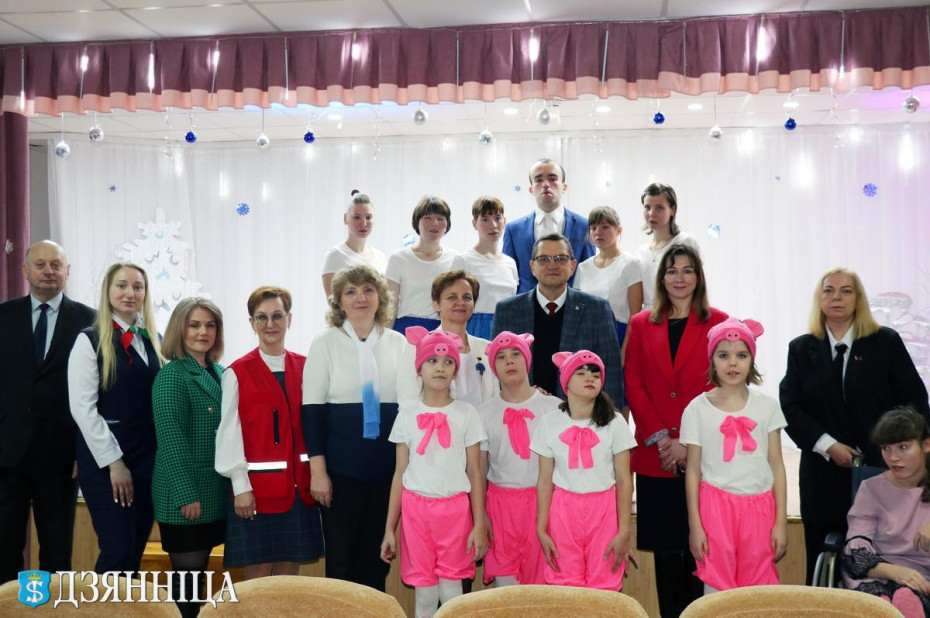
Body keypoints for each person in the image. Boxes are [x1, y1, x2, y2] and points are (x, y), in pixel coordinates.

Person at [780, 267, 929, 584]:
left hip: (882, 470)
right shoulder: (801, 348)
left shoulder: (885, 342)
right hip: (822, 472)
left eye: (846, 291)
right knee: (823, 554)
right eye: (829, 290)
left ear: (858, 299)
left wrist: (895, 447)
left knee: (878, 555)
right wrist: (828, 445)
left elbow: (914, 402)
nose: (837, 297)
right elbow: (791, 407)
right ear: (819, 299)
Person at [624, 244, 727, 617]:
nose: (679, 278)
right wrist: (662, 438)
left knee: (702, 549)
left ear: (698, 277)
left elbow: (721, 383)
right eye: (671, 271)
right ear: (661, 278)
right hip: (657, 455)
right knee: (668, 552)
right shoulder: (641, 323)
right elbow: (633, 382)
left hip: (703, 454)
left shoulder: (719, 322)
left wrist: (687, 440)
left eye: (687, 270)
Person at [302, 266, 407, 591]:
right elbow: (312, 413)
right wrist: (318, 473)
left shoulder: (398, 343)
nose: (360, 297)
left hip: (387, 474)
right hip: (340, 474)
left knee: (376, 564)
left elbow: (410, 411)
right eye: (351, 291)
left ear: (380, 297)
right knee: (341, 564)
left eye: (368, 290)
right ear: (339, 301)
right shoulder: (325, 343)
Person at [0, 240, 95, 584]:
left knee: (56, 549)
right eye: (40, 265)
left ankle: (49, 607)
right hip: (7, 452)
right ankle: (10, 607)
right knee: (4, 546)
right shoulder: (3, 316)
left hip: (61, 455)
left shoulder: (90, 320)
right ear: (25, 271)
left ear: (67, 271)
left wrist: (84, 450)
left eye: (56, 265)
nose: (48, 271)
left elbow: (97, 393)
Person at [215, 286, 324, 580]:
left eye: (277, 316)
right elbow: (229, 433)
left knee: (289, 570)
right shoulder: (237, 372)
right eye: (261, 317)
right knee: (259, 572)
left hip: (298, 488)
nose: (270, 324)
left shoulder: (307, 367)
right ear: (252, 323)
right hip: (255, 492)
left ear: (289, 319)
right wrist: (240, 487)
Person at [380, 328, 487, 618]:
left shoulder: (466, 414)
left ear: (455, 370)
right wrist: (390, 528)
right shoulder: (407, 415)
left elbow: (475, 472)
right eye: (432, 361)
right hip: (416, 512)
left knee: (451, 594)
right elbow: (399, 474)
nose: (440, 367)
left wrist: (479, 523)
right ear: (419, 368)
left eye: (448, 362)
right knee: (425, 595)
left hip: (455, 511)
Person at [67, 262, 164, 573]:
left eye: (138, 286)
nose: (130, 293)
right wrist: (115, 463)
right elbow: (83, 409)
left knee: (134, 552)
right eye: (121, 285)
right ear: (107, 291)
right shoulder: (89, 340)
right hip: (106, 463)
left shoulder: (154, 339)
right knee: (117, 551)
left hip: (146, 461)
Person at [681, 317, 788, 594]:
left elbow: (776, 466)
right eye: (723, 355)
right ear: (712, 360)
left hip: (760, 509)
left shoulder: (767, 406)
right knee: (717, 589)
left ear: (751, 361)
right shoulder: (697, 409)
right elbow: (693, 470)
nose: (732, 363)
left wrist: (780, 522)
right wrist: (696, 525)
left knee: (759, 591)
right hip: (715, 508)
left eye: (741, 355)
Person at [531, 349, 637, 590]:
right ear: (566, 382)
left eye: (595, 374)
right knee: (566, 586)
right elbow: (544, 481)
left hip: (604, 511)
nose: (590, 378)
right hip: (564, 511)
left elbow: (624, 481)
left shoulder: (615, 422)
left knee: (605, 585)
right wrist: (541, 527)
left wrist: (624, 531)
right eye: (581, 373)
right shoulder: (549, 423)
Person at [152, 298, 228, 618]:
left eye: (210, 325)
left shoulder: (220, 372)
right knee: (187, 583)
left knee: (198, 579)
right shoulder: (172, 375)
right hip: (185, 496)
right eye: (194, 325)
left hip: (213, 492)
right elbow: (171, 439)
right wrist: (186, 494)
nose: (203, 332)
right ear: (179, 330)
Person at [491, 233, 622, 404]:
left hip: (580, 413)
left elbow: (611, 371)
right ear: (532, 267)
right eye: (544, 259)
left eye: (561, 258)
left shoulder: (597, 309)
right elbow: (497, 373)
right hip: (523, 410)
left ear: (573, 265)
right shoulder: (507, 310)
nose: (552, 265)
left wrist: (610, 413)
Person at [478, 331, 562, 586]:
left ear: (527, 359)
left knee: (542, 590)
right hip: (500, 510)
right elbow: (479, 470)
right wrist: (481, 516)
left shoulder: (554, 408)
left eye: (516, 354)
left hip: (543, 505)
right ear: (494, 367)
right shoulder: (483, 413)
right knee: (506, 593)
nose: (510, 361)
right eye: (501, 357)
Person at [843, 407, 930, 618]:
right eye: (885, 448)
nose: (893, 458)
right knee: (878, 606)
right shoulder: (871, 489)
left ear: (926, 445)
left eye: (903, 447)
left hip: (923, 578)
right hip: (876, 572)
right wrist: (896, 572)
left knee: (907, 599)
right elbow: (856, 551)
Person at [397, 270, 497, 412]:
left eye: (467, 297)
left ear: (474, 305)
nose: (460, 303)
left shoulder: (487, 348)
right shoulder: (417, 346)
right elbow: (407, 401)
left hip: (482, 425)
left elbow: (496, 400)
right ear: (436, 304)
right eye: (452, 297)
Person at [502, 159, 595, 293]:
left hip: (573, 304)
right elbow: (508, 276)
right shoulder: (513, 230)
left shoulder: (584, 226)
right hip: (526, 304)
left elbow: (589, 274)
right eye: (539, 180)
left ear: (564, 187)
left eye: (552, 179)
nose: (546, 185)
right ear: (531, 189)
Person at [573, 205, 643, 355]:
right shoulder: (583, 267)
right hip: (587, 335)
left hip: (617, 333)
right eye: (593, 228)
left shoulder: (631, 263)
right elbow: (577, 311)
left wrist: (625, 351)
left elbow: (635, 315)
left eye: (605, 227)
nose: (598, 232)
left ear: (619, 230)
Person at [386, 195, 459, 333]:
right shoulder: (398, 258)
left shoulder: (456, 259)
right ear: (417, 222)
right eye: (428, 218)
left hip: (441, 330)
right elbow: (390, 307)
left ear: (447, 224)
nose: (435, 223)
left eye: (440, 219)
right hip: (406, 330)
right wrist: (385, 338)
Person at [451, 196, 518, 339]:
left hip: (508, 328)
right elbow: (453, 304)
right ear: (474, 224)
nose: (493, 225)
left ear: (504, 221)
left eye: (498, 218)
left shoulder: (510, 263)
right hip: (475, 327)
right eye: (485, 219)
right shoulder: (463, 260)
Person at [634, 183, 700, 310]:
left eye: (659, 208)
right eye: (647, 207)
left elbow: (697, 286)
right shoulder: (640, 253)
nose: (651, 214)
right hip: (648, 317)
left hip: (679, 314)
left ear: (672, 209)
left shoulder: (686, 242)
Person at [321, 191, 387, 299]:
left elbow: (386, 300)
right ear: (345, 218)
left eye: (368, 217)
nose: (363, 223)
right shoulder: (335, 256)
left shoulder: (380, 257)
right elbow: (334, 303)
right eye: (357, 217)